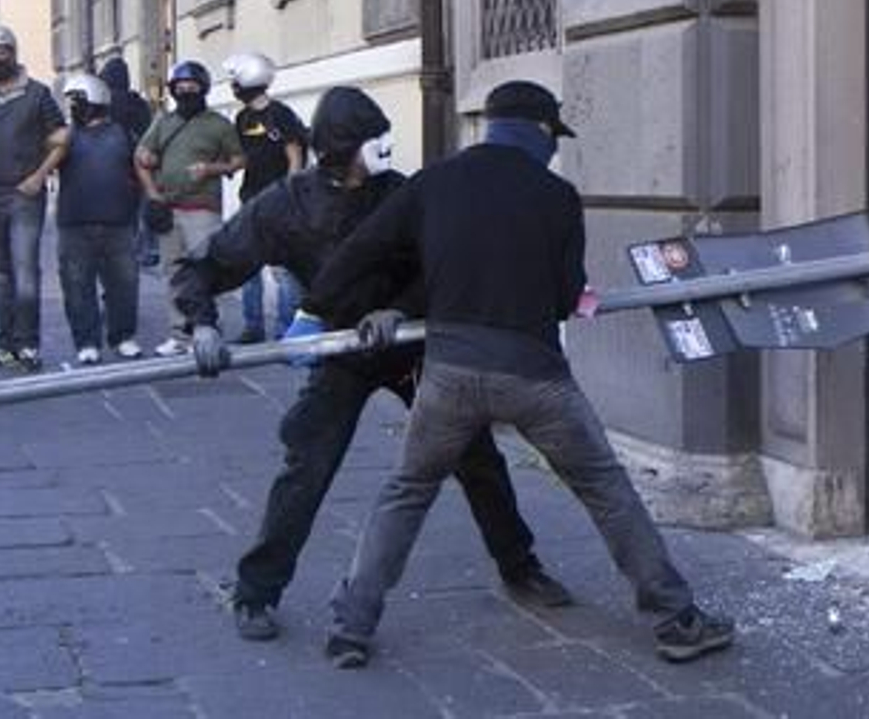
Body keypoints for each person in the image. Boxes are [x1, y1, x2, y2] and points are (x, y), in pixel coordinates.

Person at [306, 81, 734, 669]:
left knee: (406, 491)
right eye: (553, 137)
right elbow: (563, 299)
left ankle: (351, 628)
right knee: (604, 489)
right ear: (539, 132)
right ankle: (676, 620)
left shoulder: (436, 181)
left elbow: (362, 248)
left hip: (450, 372)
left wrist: (319, 311)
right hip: (534, 377)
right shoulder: (557, 196)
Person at [176, 86, 572, 643]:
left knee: (476, 454)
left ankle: (520, 566)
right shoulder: (285, 205)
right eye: (371, 138)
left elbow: (446, 265)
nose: (383, 146)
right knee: (307, 465)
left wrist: (402, 308)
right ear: (342, 147)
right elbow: (205, 267)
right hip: (341, 353)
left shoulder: (407, 193)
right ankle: (256, 592)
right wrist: (204, 324)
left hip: (412, 348)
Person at [0, 23, 68, 371]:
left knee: (25, 273)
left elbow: (61, 137)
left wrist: (39, 177)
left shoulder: (37, 94)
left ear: (13, 53)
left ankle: (28, 344)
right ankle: (5, 341)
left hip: (23, 196)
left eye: (0, 52)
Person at [134, 60, 243, 357]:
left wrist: (210, 168)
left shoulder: (219, 124)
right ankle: (179, 334)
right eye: (179, 89)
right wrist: (153, 194)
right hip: (170, 209)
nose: (185, 93)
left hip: (203, 210)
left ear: (203, 89)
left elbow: (238, 160)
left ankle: (207, 330)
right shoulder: (163, 122)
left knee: (206, 271)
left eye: (192, 88)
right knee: (172, 273)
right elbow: (141, 157)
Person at [56, 73, 142, 365]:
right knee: (77, 285)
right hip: (74, 222)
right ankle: (86, 341)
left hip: (118, 222)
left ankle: (123, 336)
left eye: (77, 101)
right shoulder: (66, 136)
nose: (72, 107)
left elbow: (139, 169)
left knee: (123, 284)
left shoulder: (122, 134)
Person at [221, 52, 306, 344]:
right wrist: (221, 166)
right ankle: (252, 327)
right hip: (251, 200)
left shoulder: (280, 114)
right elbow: (243, 156)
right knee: (248, 266)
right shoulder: (243, 117)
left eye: (236, 80)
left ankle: (285, 329)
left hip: (279, 201)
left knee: (282, 269)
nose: (233, 86)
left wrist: (290, 195)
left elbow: (294, 155)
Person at [99, 56, 157, 270]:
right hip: (135, 167)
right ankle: (138, 250)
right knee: (135, 213)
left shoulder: (101, 103)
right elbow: (148, 134)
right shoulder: (137, 103)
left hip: (106, 168)